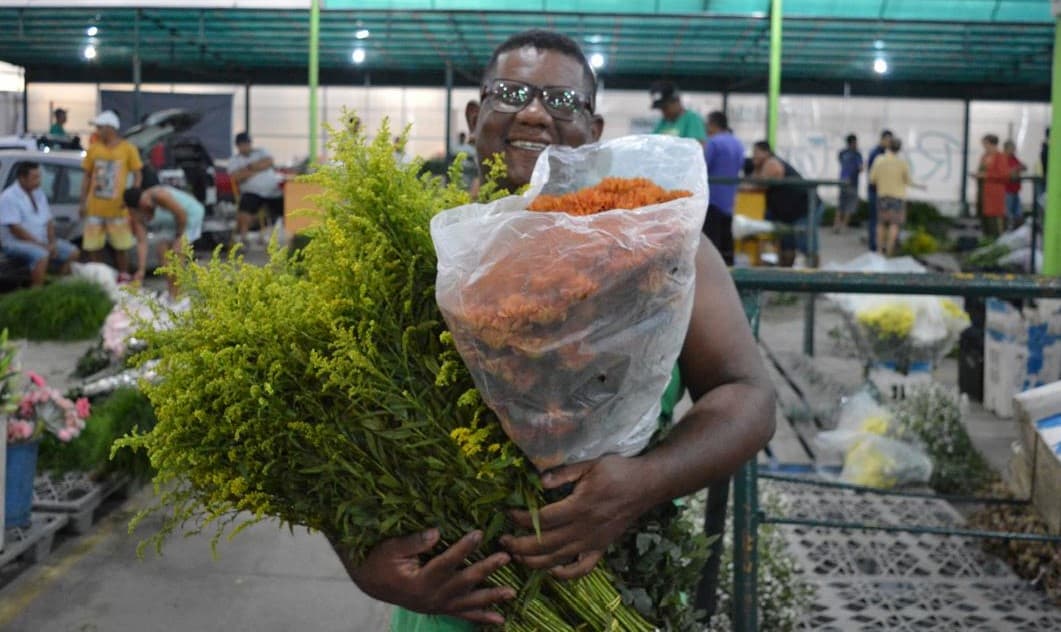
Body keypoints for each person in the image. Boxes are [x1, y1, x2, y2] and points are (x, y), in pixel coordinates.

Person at [332, 29, 776, 631]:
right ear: (474, 115)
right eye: (511, 92)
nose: (535, 112)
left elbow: (748, 396)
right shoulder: (411, 248)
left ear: (593, 132)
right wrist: (359, 562)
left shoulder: (661, 245)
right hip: (451, 609)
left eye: (562, 101)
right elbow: (324, 415)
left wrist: (641, 485)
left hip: (610, 589)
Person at [79, 110, 142, 280]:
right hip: (95, 207)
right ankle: (98, 276)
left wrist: (131, 197)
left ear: (110, 128)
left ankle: (123, 276)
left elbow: (137, 174)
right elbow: (86, 176)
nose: (97, 131)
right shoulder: (94, 149)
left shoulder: (128, 149)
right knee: (93, 245)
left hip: (118, 208)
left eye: (100, 127)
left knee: (121, 245)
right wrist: (82, 202)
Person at [0, 162, 79, 287]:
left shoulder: (38, 193)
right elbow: (15, 229)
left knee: (73, 252)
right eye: (35, 178)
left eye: (39, 177)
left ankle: (57, 285)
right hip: (16, 242)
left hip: (41, 240)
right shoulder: (8, 197)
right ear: (22, 178)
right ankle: (37, 291)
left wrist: (51, 242)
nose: (39, 181)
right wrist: (41, 245)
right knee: (41, 255)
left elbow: (48, 221)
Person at [123, 185, 204, 298]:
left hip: (188, 218)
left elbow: (181, 215)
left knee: (177, 254)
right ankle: (172, 294)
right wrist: (141, 270)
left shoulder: (159, 195)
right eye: (142, 204)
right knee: (162, 254)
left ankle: (179, 295)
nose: (147, 204)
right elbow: (142, 242)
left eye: (145, 199)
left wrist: (179, 237)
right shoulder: (136, 214)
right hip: (170, 224)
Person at [751, 141, 811, 268]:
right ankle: (785, 276)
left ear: (766, 152)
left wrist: (756, 170)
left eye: (756, 152)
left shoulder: (771, 162)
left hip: (803, 208)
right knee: (787, 244)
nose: (753, 156)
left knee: (805, 245)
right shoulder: (768, 163)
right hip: (789, 212)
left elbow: (759, 184)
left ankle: (816, 277)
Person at [229, 132, 284, 247]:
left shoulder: (261, 151)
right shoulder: (234, 160)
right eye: (242, 144)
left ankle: (284, 237)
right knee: (245, 205)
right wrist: (258, 167)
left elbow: (269, 162)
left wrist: (248, 169)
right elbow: (236, 177)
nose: (246, 146)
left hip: (273, 192)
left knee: (289, 205)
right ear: (238, 146)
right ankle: (243, 238)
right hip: (252, 193)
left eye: (247, 143)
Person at [704, 111, 744, 265]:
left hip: (712, 198)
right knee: (727, 238)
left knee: (712, 240)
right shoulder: (738, 143)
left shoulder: (714, 142)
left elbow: (704, 166)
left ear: (713, 124)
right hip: (729, 199)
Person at [868, 139, 911, 257]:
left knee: (881, 223)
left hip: (883, 195)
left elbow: (872, 179)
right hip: (898, 197)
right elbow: (908, 180)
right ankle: (889, 251)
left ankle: (879, 251)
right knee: (894, 224)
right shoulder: (902, 163)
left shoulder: (879, 160)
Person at [649, 81, 706, 145]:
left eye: (665, 107)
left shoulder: (692, 119)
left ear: (676, 101)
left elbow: (698, 147)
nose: (663, 112)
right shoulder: (663, 123)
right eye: (661, 108)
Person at [974, 134, 1008, 237]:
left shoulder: (1000, 157)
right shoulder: (984, 156)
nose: (984, 146)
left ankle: (996, 241)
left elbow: (1004, 175)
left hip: (994, 194)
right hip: (983, 192)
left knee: (994, 220)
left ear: (992, 144)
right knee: (984, 219)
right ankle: (986, 239)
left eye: (985, 144)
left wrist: (986, 175)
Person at [865, 130, 893, 252]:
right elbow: (873, 176)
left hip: (880, 191)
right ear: (882, 139)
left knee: (879, 219)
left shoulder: (882, 153)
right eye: (888, 140)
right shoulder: (877, 154)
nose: (889, 143)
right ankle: (874, 245)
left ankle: (878, 244)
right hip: (876, 191)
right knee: (876, 219)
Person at [836, 134, 863, 233]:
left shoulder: (842, 153)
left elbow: (841, 162)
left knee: (840, 205)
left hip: (842, 181)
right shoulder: (857, 154)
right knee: (849, 206)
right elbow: (860, 168)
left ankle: (836, 225)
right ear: (853, 142)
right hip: (852, 182)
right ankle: (844, 226)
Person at [1003, 140, 1027, 229]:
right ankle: (1008, 230)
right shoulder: (1002, 159)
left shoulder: (1014, 158)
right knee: (1008, 212)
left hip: (1015, 190)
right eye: (1012, 149)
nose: (1013, 151)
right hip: (1007, 190)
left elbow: (1023, 166)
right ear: (1006, 149)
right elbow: (1005, 173)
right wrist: (1015, 169)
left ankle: (1017, 229)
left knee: (1018, 213)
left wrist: (1018, 168)